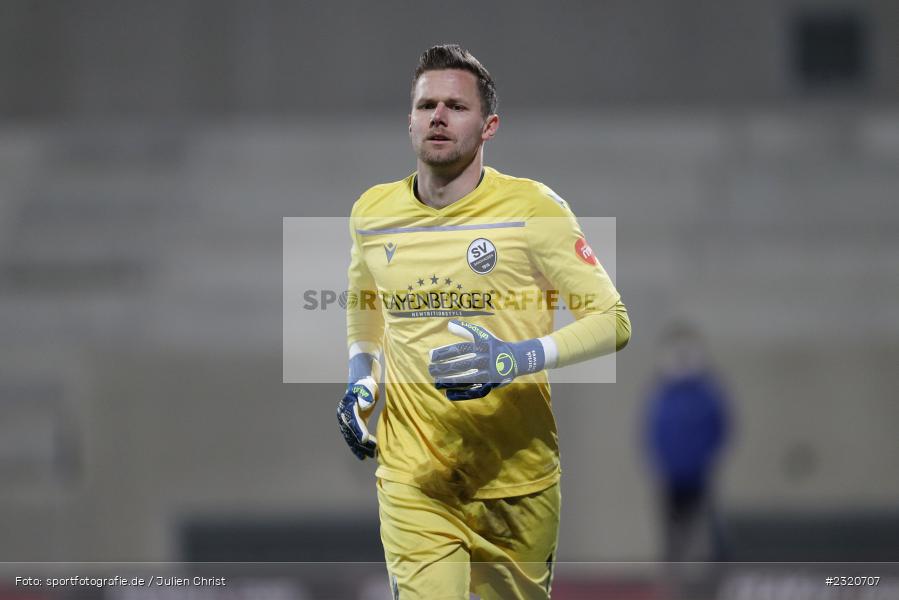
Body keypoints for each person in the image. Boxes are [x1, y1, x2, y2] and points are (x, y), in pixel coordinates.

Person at [337, 44, 631, 600]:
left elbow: (613, 320)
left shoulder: (534, 209)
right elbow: (365, 303)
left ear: (489, 125)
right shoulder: (372, 213)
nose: (439, 116)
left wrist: (517, 358)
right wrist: (361, 377)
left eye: (456, 105)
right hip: (414, 479)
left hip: (517, 478)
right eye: (427, 105)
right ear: (410, 120)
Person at [644, 322, 730, 565]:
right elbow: (653, 434)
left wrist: (704, 459)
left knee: (702, 534)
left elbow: (720, 429)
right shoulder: (662, 393)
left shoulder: (707, 392)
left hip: (700, 475)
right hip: (670, 477)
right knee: (673, 538)